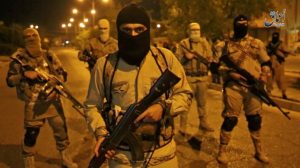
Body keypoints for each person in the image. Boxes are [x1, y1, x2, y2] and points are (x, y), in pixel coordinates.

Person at [84, 4, 192, 168]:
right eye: (127, 30)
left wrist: (164, 107)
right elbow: (91, 105)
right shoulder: (104, 65)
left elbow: (185, 94)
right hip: (122, 157)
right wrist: (100, 133)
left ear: (147, 30)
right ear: (119, 32)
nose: (133, 35)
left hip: (162, 155)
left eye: (139, 30)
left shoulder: (165, 58)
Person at [6, 28, 78, 168]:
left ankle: (65, 159)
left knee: (61, 131)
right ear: (24, 39)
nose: (32, 38)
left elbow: (63, 73)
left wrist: (55, 81)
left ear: (39, 37)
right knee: (31, 134)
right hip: (33, 103)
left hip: (53, 101)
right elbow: (9, 81)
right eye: (28, 36)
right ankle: (28, 161)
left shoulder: (48, 55)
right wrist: (24, 75)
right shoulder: (18, 59)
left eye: (34, 35)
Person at [216, 15, 271, 164]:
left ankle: (259, 151)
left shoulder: (257, 43)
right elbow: (218, 67)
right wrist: (230, 73)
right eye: (239, 24)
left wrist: (264, 75)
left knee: (255, 120)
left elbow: (266, 62)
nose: (242, 26)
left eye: (244, 24)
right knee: (230, 119)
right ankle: (222, 150)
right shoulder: (225, 45)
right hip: (234, 87)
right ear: (234, 26)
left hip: (253, 88)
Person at [175, 22, 214, 135]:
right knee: (185, 104)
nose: (195, 33)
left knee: (202, 104)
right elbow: (177, 61)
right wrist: (185, 58)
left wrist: (208, 59)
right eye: (193, 30)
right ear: (188, 31)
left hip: (202, 78)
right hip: (189, 78)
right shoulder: (183, 44)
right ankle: (183, 127)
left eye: (197, 30)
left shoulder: (204, 43)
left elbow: (210, 57)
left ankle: (203, 123)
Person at [266, 32, 290, 99]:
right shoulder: (269, 44)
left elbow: (286, 53)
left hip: (279, 63)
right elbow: (265, 51)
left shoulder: (281, 44)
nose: (275, 36)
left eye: (276, 35)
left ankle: (283, 93)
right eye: (274, 35)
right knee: (269, 78)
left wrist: (279, 54)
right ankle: (268, 91)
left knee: (281, 78)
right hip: (270, 62)